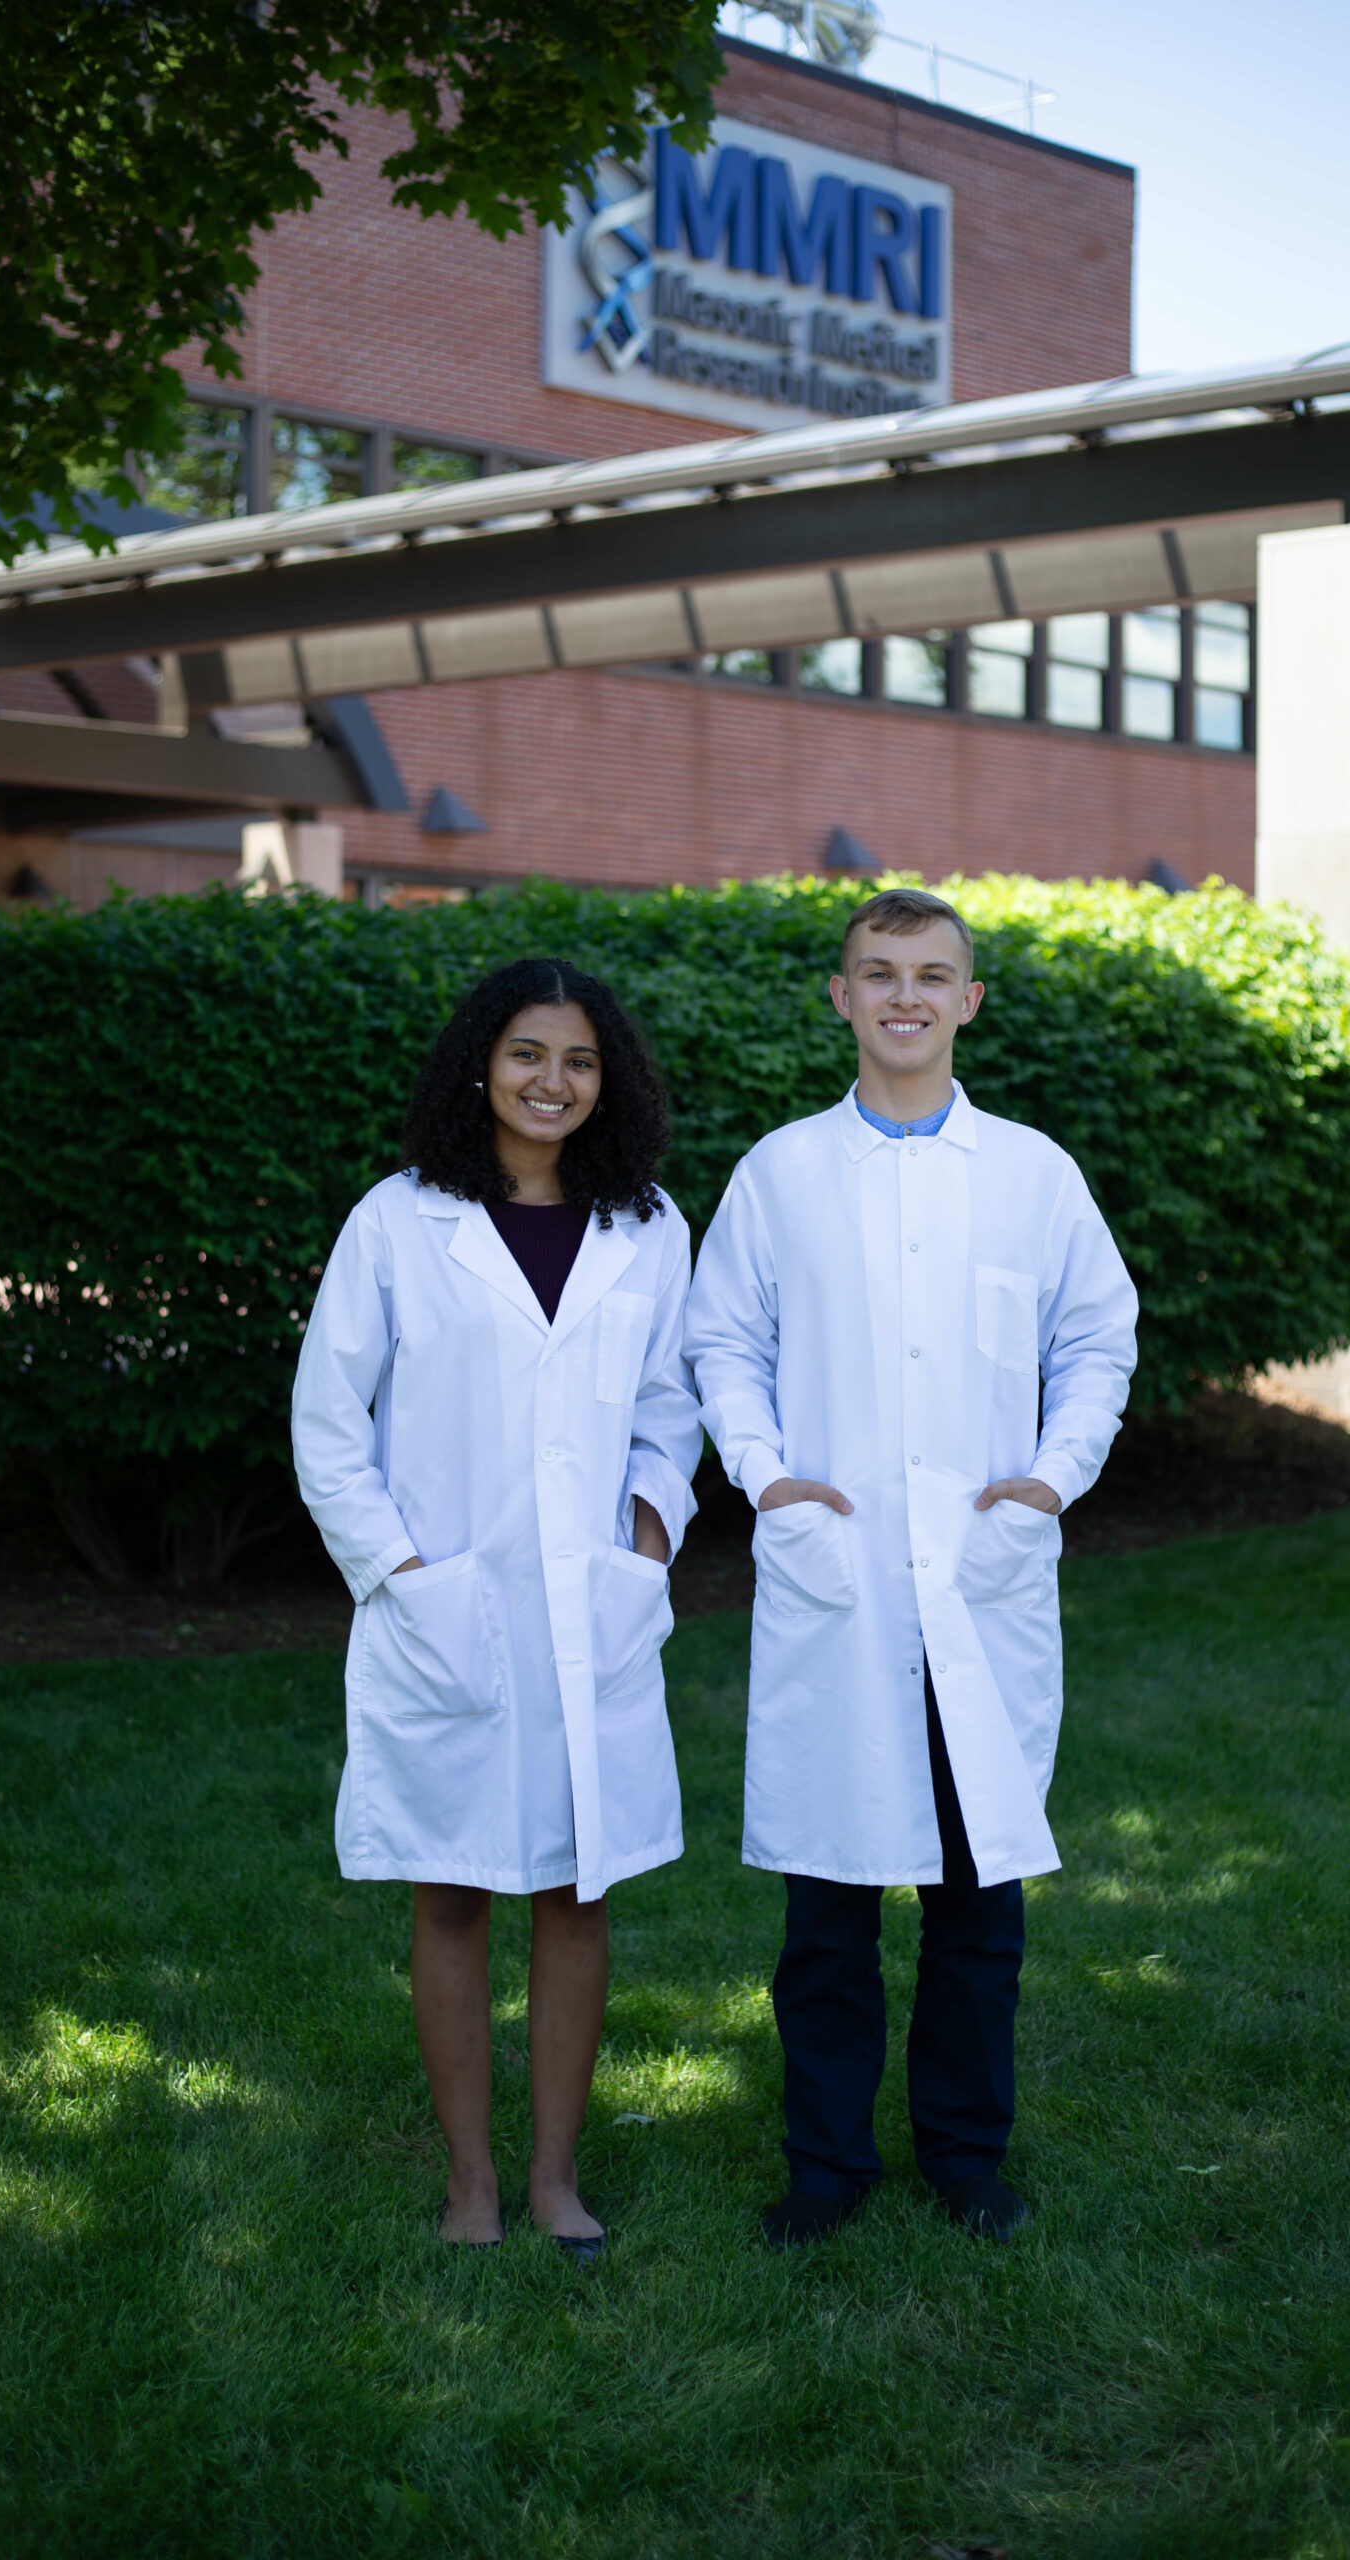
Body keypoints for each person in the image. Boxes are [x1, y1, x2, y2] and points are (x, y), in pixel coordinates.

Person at [684, 887, 1137, 2247]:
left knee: (973, 1904)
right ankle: (824, 2167)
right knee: (827, 1906)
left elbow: (1098, 1343)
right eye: (877, 973)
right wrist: (768, 1475)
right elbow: (723, 1344)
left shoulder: (1033, 1177)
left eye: (932, 975)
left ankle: (965, 2157)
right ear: (840, 995)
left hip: (979, 1582)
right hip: (841, 1579)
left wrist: (1050, 1480)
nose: (904, 997)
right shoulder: (780, 1174)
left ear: (970, 1000)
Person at [292, 958, 701, 2259]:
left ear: (608, 1080)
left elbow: (668, 1414)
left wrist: (644, 1543)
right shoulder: (401, 1223)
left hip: (593, 1609)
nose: (552, 1081)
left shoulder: (648, 1230)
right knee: (453, 1891)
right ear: (482, 1063)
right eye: (529, 1054)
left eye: (579, 1061)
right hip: (447, 1607)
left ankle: (552, 2180)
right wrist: (403, 1581)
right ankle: (470, 2181)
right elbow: (326, 1426)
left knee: (579, 1893)